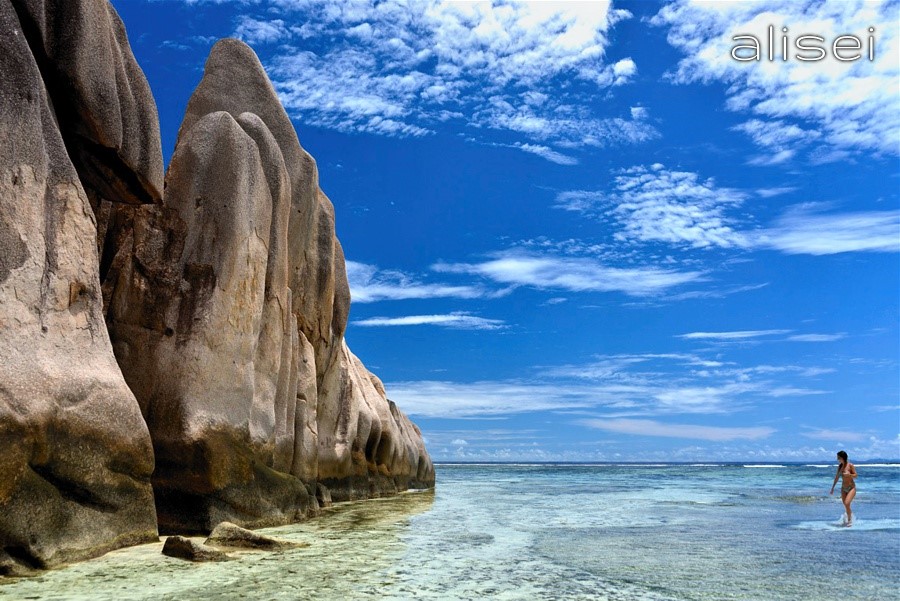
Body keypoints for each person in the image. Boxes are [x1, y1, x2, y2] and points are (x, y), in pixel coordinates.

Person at [829, 450, 857, 526]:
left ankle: (850, 521)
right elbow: (837, 477)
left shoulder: (850, 465)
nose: (838, 459)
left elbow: (856, 475)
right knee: (846, 505)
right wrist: (832, 488)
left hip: (851, 488)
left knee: (847, 503)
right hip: (843, 488)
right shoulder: (840, 466)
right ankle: (848, 517)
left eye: (839, 458)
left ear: (843, 457)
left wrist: (849, 475)